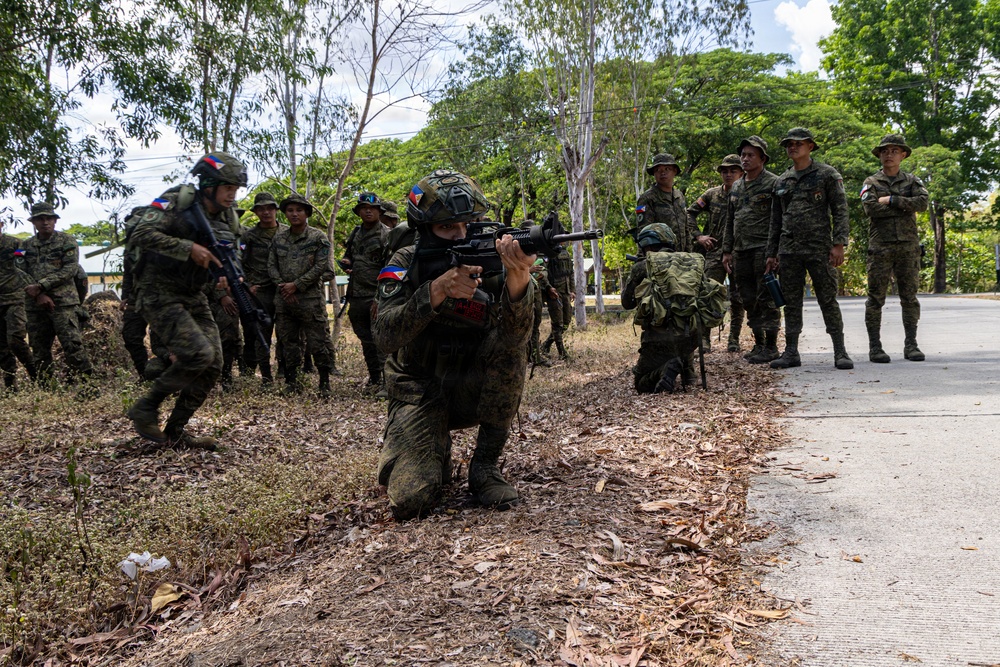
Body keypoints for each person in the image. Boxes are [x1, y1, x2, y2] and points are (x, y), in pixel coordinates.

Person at [374, 169, 535, 520]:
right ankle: (433, 446)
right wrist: (434, 292)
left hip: (473, 387)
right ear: (424, 230)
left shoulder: (493, 259)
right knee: (412, 499)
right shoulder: (404, 263)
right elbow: (384, 336)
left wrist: (519, 279)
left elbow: (516, 338)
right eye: (447, 228)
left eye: (471, 223)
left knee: (510, 353)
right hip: (418, 389)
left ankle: (485, 468)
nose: (461, 235)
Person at [126, 152, 248, 447]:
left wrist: (228, 273)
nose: (232, 195)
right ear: (208, 185)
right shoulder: (177, 202)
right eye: (227, 188)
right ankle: (146, 407)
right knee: (198, 354)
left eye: (236, 189)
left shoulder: (228, 217)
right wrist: (187, 248)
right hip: (158, 290)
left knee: (214, 363)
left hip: (194, 293)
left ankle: (175, 431)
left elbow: (235, 251)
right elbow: (140, 232)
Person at [766, 128, 853, 370]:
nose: (792, 147)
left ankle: (840, 351)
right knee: (792, 302)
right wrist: (771, 254)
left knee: (827, 299)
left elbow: (840, 210)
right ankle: (791, 351)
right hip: (789, 249)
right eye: (788, 144)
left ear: (810, 146)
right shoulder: (781, 181)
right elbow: (775, 220)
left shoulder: (827, 175)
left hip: (819, 248)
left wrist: (839, 244)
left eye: (798, 143)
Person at [622, 223, 726, 393]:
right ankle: (688, 373)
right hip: (691, 337)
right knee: (684, 317)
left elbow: (627, 303)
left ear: (647, 244)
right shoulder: (692, 261)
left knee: (641, 383)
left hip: (659, 339)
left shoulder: (643, 265)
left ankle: (666, 368)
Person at [861, 134, 929, 362]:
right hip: (880, 247)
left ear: (903, 155)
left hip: (908, 248)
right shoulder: (871, 182)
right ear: (879, 155)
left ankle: (911, 345)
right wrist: (905, 205)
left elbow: (922, 204)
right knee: (875, 298)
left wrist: (892, 200)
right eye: (884, 151)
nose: (889, 154)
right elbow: (870, 209)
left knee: (909, 297)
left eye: (894, 150)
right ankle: (875, 347)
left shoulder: (912, 181)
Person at [268, 193, 336, 396]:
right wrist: (283, 286)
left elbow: (321, 266)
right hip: (284, 300)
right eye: (290, 210)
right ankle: (292, 382)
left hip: (310, 300)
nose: (294, 214)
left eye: (299, 210)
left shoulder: (318, 238)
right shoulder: (278, 238)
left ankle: (324, 383)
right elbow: (271, 265)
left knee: (318, 341)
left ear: (307, 213)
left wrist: (296, 285)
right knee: (288, 342)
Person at [21, 202, 96, 384]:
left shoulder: (67, 241)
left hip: (63, 303)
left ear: (54, 221)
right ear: (34, 222)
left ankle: (87, 386)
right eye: (40, 219)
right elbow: (19, 271)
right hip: (35, 305)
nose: (45, 222)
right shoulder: (24, 246)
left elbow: (70, 269)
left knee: (72, 346)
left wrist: (42, 286)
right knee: (39, 350)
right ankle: (47, 388)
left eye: (49, 218)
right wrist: (38, 295)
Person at [722, 136, 782, 363]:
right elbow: (731, 220)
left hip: (763, 250)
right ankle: (758, 344)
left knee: (767, 298)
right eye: (743, 155)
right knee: (748, 299)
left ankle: (772, 346)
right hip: (741, 251)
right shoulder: (736, 186)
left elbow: (779, 220)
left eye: (750, 155)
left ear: (762, 159)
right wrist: (727, 251)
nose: (745, 159)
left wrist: (773, 252)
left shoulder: (774, 183)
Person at [687, 154, 745, 352]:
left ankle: (734, 340)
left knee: (738, 298)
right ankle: (704, 340)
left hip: (740, 252)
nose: (728, 174)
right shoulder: (711, 195)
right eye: (724, 171)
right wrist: (699, 236)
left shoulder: (746, 193)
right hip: (714, 252)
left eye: (733, 171)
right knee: (708, 295)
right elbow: (690, 213)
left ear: (741, 173)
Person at [342, 192, 388, 392]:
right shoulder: (355, 233)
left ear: (379, 211)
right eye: (364, 208)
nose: (368, 211)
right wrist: (347, 263)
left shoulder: (386, 234)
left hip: (376, 295)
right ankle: (375, 377)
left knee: (382, 341)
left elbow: (391, 269)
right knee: (365, 340)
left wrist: (381, 297)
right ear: (359, 211)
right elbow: (349, 256)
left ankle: (387, 382)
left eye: (372, 208)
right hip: (357, 295)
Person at [241, 192, 286, 385]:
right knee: (261, 334)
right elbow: (239, 263)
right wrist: (248, 285)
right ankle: (266, 376)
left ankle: (286, 372)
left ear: (276, 210)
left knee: (286, 333)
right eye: (261, 209)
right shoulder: (248, 236)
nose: (266, 212)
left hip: (283, 290)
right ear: (256, 212)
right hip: (260, 292)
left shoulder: (287, 233)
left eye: (269, 208)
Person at [0, 219, 36, 391]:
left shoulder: (15, 244)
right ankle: (10, 385)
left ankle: (36, 375)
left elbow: (25, 264)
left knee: (15, 339)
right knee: (1, 346)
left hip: (15, 298)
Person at [636, 153, 692, 252]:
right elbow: (644, 232)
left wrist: (689, 254)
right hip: (660, 257)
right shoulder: (647, 198)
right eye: (658, 170)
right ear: (654, 173)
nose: (662, 173)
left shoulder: (679, 196)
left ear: (674, 171)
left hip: (681, 257)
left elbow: (686, 228)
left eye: (667, 169)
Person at [541, 241, 573, 360]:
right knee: (557, 324)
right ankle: (562, 353)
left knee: (566, 322)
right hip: (554, 293)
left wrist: (572, 290)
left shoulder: (565, 253)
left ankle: (546, 345)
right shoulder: (548, 253)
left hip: (566, 292)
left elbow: (570, 273)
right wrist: (548, 287)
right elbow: (542, 273)